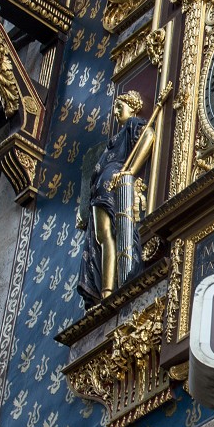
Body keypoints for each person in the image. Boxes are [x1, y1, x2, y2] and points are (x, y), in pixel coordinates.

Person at [77, 91, 152, 305]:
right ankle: (105, 289)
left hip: (111, 187)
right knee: (101, 237)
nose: (116, 111)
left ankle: (108, 290)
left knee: (109, 235)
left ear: (132, 106)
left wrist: (130, 172)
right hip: (100, 192)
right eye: (115, 107)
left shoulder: (133, 125)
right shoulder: (116, 138)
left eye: (120, 106)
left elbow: (149, 136)